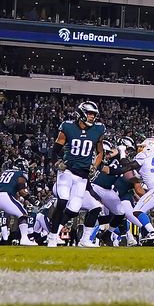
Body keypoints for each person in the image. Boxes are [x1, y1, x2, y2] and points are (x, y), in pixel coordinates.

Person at [46, 101, 104, 247]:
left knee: (74, 208)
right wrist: (57, 162)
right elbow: (55, 150)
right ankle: (52, 236)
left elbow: (100, 152)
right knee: (62, 201)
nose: (92, 117)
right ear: (82, 113)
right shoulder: (68, 127)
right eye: (90, 113)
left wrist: (95, 166)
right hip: (67, 171)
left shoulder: (98, 129)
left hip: (83, 176)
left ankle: (60, 233)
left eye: (94, 114)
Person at [0, 161, 36, 245]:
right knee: (23, 214)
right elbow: (22, 191)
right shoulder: (21, 173)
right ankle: (24, 239)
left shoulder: (6, 172)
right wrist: (31, 199)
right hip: (4, 196)